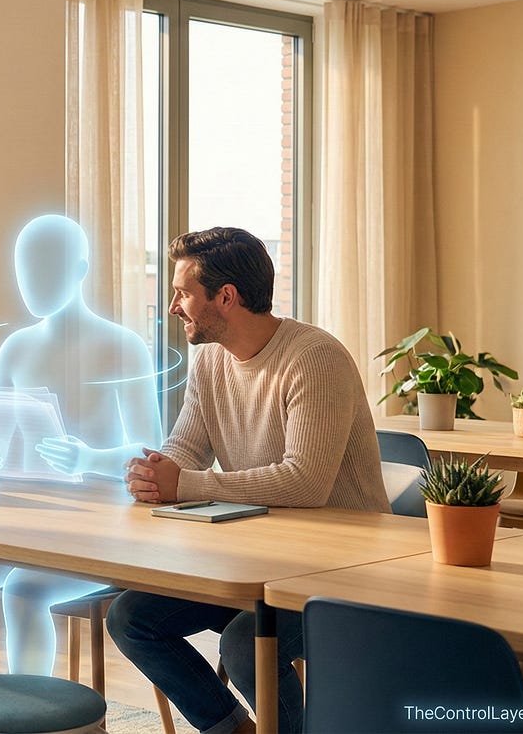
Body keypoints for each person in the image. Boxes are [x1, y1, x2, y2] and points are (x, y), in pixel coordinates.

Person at [107, 226, 390, 734]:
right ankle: (233, 729)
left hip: (343, 567)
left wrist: (186, 485)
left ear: (226, 297)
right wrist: (155, 473)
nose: (173, 306)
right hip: (259, 560)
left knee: (243, 644)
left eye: (183, 293)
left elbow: (305, 483)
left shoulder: (314, 358)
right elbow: (186, 449)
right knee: (131, 618)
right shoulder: (210, 361)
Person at [0, 214, 164, 680]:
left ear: (78, 271)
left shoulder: (121, 346)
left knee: (24, 590)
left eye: (46, 270)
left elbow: (152, 453)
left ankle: (30, 717)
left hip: (101, 525)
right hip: (26, 521)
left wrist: (89, 457)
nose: (31, 284)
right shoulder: (17, 348)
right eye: (25, 271)